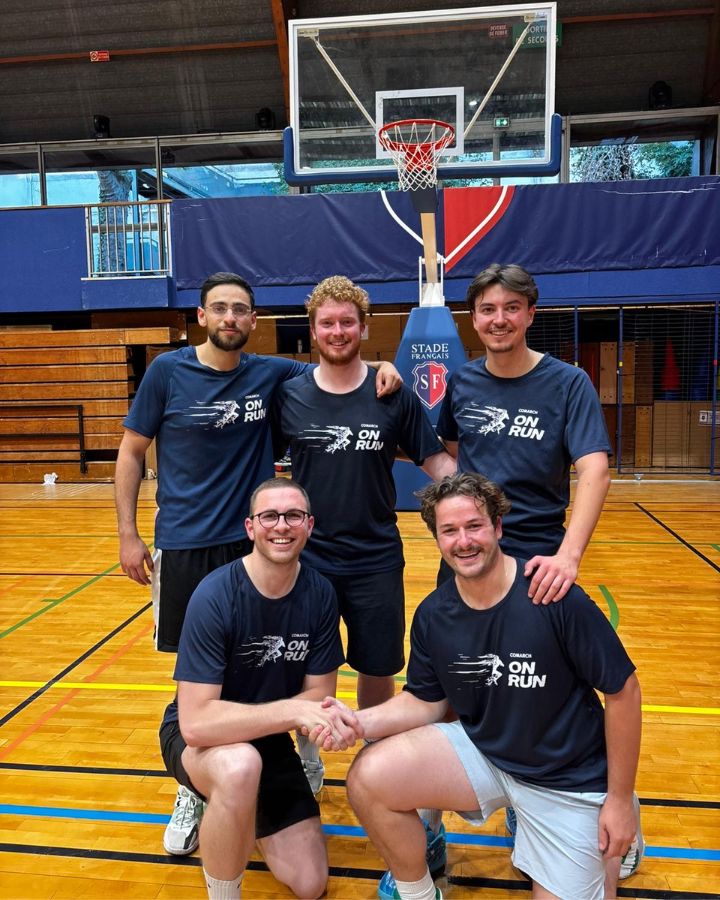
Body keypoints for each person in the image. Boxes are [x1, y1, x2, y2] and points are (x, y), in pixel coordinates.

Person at [114, 271, 400, 855]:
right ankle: (193, 780)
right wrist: (127, 533)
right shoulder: (168, 373)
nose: (229, 318)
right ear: (200, 315)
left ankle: (304, 757)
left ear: (252, 320)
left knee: (280, 655)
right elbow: (131, 451)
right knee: (194, 673)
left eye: (240, 310)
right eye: (218, 308)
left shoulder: (270, 373)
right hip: (186, 543)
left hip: (256, 541)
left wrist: (381, 368)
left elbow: (333, 367)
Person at [315, 473, 642, 900]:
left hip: (567, 779)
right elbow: (425, 701)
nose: (463, 541)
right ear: (436, 539)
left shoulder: (550, 594)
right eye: (449, 530)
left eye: (474, 526)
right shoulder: (435, 614)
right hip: (488, 755)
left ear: (498, 527)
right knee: (370, 775)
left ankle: (619, 817)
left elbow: (624, 693)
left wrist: (617, 800)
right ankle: (418, 892)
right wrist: (358, 722)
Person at [271, 275, 456, 843]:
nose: (337, 331)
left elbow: (438, 465)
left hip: (377, 556)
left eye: (347, 322)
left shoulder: (391, 392)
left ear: (364, 327)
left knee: (378, 668)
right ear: (313, 330)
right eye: (327, 323)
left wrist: (480, 509)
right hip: (311, 562)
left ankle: (373, 755)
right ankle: (309, 753)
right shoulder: (290, 393)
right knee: (312, 671)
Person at [159, 477, 351, 900]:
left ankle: (235, 807)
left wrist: (323, 721)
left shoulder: (319, 594)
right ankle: (223, 882)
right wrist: (294, 713)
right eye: (269, 516)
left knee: (310, 882)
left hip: (267, 739)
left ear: (309, 525)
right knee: (239, 766)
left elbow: (318, 695)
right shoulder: (215, 595)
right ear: (251, 527)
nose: (281, 526)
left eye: (293, 516)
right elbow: (196, 723)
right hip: (201, 741)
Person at [437, 263, 611, 606]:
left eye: (511, 308)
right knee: (457, 656)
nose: (499, 320)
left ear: (530, 314)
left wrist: (569, 557)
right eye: (488, 309)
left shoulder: (569, 383)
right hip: (468, 547)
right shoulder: (460, 382)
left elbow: (596, 471)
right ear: (474, 319)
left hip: (537, 556)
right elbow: (452, 454)